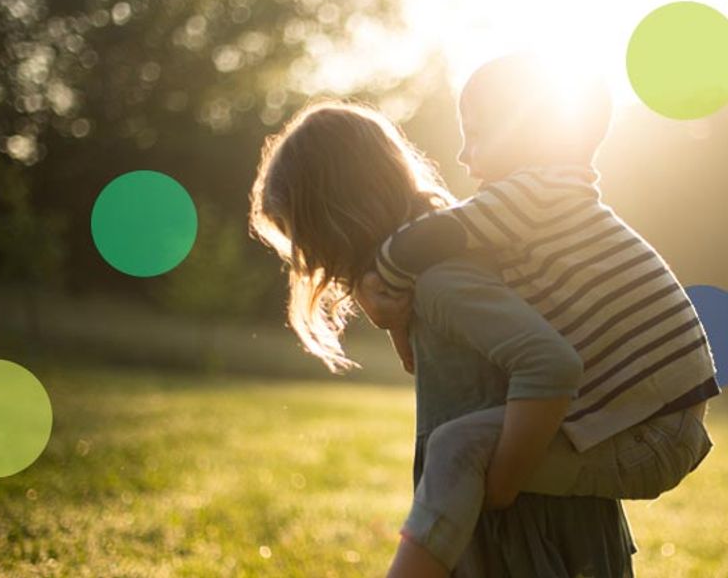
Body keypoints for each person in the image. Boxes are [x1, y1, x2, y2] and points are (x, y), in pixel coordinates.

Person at [356, 52, 719, 576]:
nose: (462, 154)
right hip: (657, 424)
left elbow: (429, 238)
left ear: (525, 132)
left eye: (476, 134)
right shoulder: (552, 202)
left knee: (457, 447)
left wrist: (379, 283)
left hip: (651, 435)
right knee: (467, 445)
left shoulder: (536, 195)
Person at [248, 98, 636, 576]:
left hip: (528, 528)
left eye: (301, 236)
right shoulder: (427, 277)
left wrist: (500, 486)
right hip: (508, 517)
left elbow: (549, 363)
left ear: (335, 218)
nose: (310, 260)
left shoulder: (442, 281)